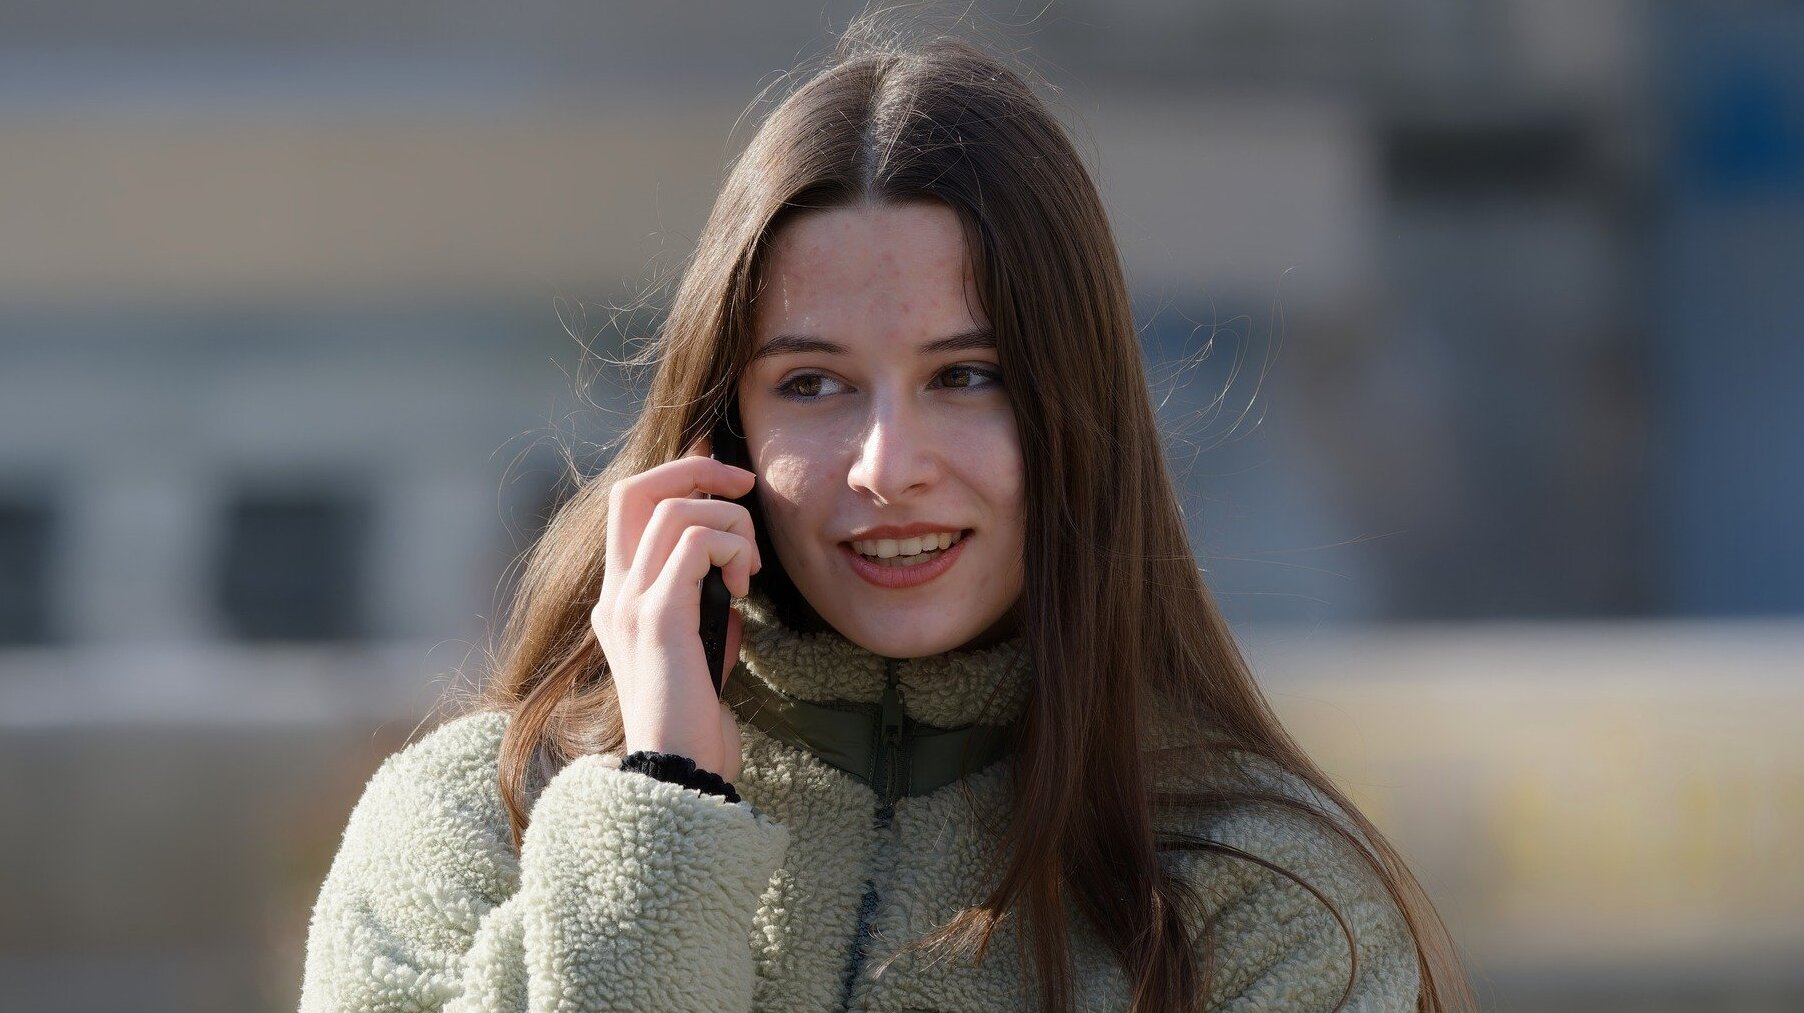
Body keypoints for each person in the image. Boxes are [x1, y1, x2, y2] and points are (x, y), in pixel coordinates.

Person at [298, 15, 1475, 1013]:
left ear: (1078, 412)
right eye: (812, 383)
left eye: (967, 376)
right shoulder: (473, 826)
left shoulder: (1264, 895)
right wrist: (660, 815)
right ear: (722, 428)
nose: (886, 463)